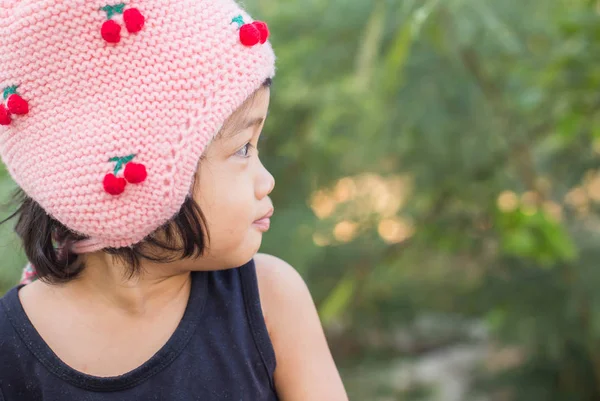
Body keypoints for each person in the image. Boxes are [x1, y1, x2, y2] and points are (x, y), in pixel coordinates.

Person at [0, 0, 349, 399]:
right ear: (135, 180)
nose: (266, 180)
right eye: (242, 149)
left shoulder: (270, 299)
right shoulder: (10, 349)